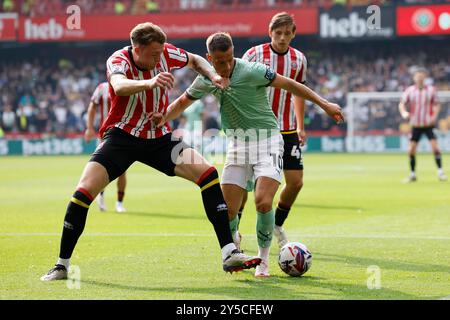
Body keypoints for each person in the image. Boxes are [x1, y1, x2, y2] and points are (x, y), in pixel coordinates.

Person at [40, 22, 261, 282]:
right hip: (121, 138)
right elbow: (120, 86)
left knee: (208, 173)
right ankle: (62, 265)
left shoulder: (166, 52)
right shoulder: (119, 59)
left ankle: (228, 253)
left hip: (159, 138)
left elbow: (195, 59)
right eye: (154, 54)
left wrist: (212, 76)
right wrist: (150, 82)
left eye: (160, 53)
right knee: (82, 193)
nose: (159, 57)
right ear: (137, 48)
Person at [157, 32, 344, 277]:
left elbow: (291, 84)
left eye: (228, 59)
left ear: (233, 52)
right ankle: (234, 244)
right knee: (228, 211)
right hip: (237, 145)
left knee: (263, 201)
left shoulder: (252, 70)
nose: (225, 66)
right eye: (218, 61)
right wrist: (160, 120)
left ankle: (263, 261)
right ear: (208, 58)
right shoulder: (206, 79)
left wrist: (325, 104)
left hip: (267, 142)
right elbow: (182, 103)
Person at [241, 12, 307, 248]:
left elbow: (299, 92)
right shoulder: (254, 55)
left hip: (287, 129)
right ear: (270, 33)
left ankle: (277, 224)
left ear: (293, 34)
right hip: (258, 129)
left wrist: (300, 125)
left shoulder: (299, 59)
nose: (282, 38)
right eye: (278, 33)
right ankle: (235, 231)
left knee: (296, 182)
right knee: (246, 184)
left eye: (287, 34)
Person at [85, 82, 127, 213]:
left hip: (124, 134)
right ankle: (101, 196)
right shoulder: (102, 88)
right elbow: (92, 106)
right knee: (101, 169)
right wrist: (89, 128)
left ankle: (119, 203)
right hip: (106, 134)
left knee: (122, 171)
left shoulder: (128, 85)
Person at [398, 68, 447, 183]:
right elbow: (401, 104)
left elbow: (437, 104)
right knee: (411, 150)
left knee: (435, 148)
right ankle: (412, 174)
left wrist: (434, 116)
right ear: (414, 78)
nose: (419, 78)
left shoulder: (431, 90)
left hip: (428, 124)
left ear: (425, 77)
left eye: (421, 76)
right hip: (416, 125)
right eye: (417, 76)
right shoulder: (410, 91)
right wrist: (404, 113)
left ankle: (440, 172)